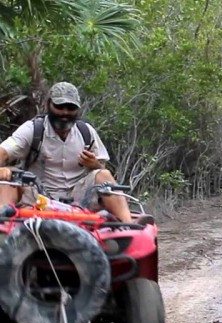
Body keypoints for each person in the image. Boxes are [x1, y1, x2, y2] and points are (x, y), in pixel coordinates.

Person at [0, 81, 135, 223]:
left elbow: (102, 170)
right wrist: (3, 170)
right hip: (37, 194)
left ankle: (128, 227)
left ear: (77, 109)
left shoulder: (86, 132)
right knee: (10, 179)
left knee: (104, 175)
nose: (65, 113)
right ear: (48, 105)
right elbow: (3, 151)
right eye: (59, 106)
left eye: (71, 108)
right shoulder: (33, 129)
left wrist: (94, 164)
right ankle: (3, 226)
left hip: (78, 197)